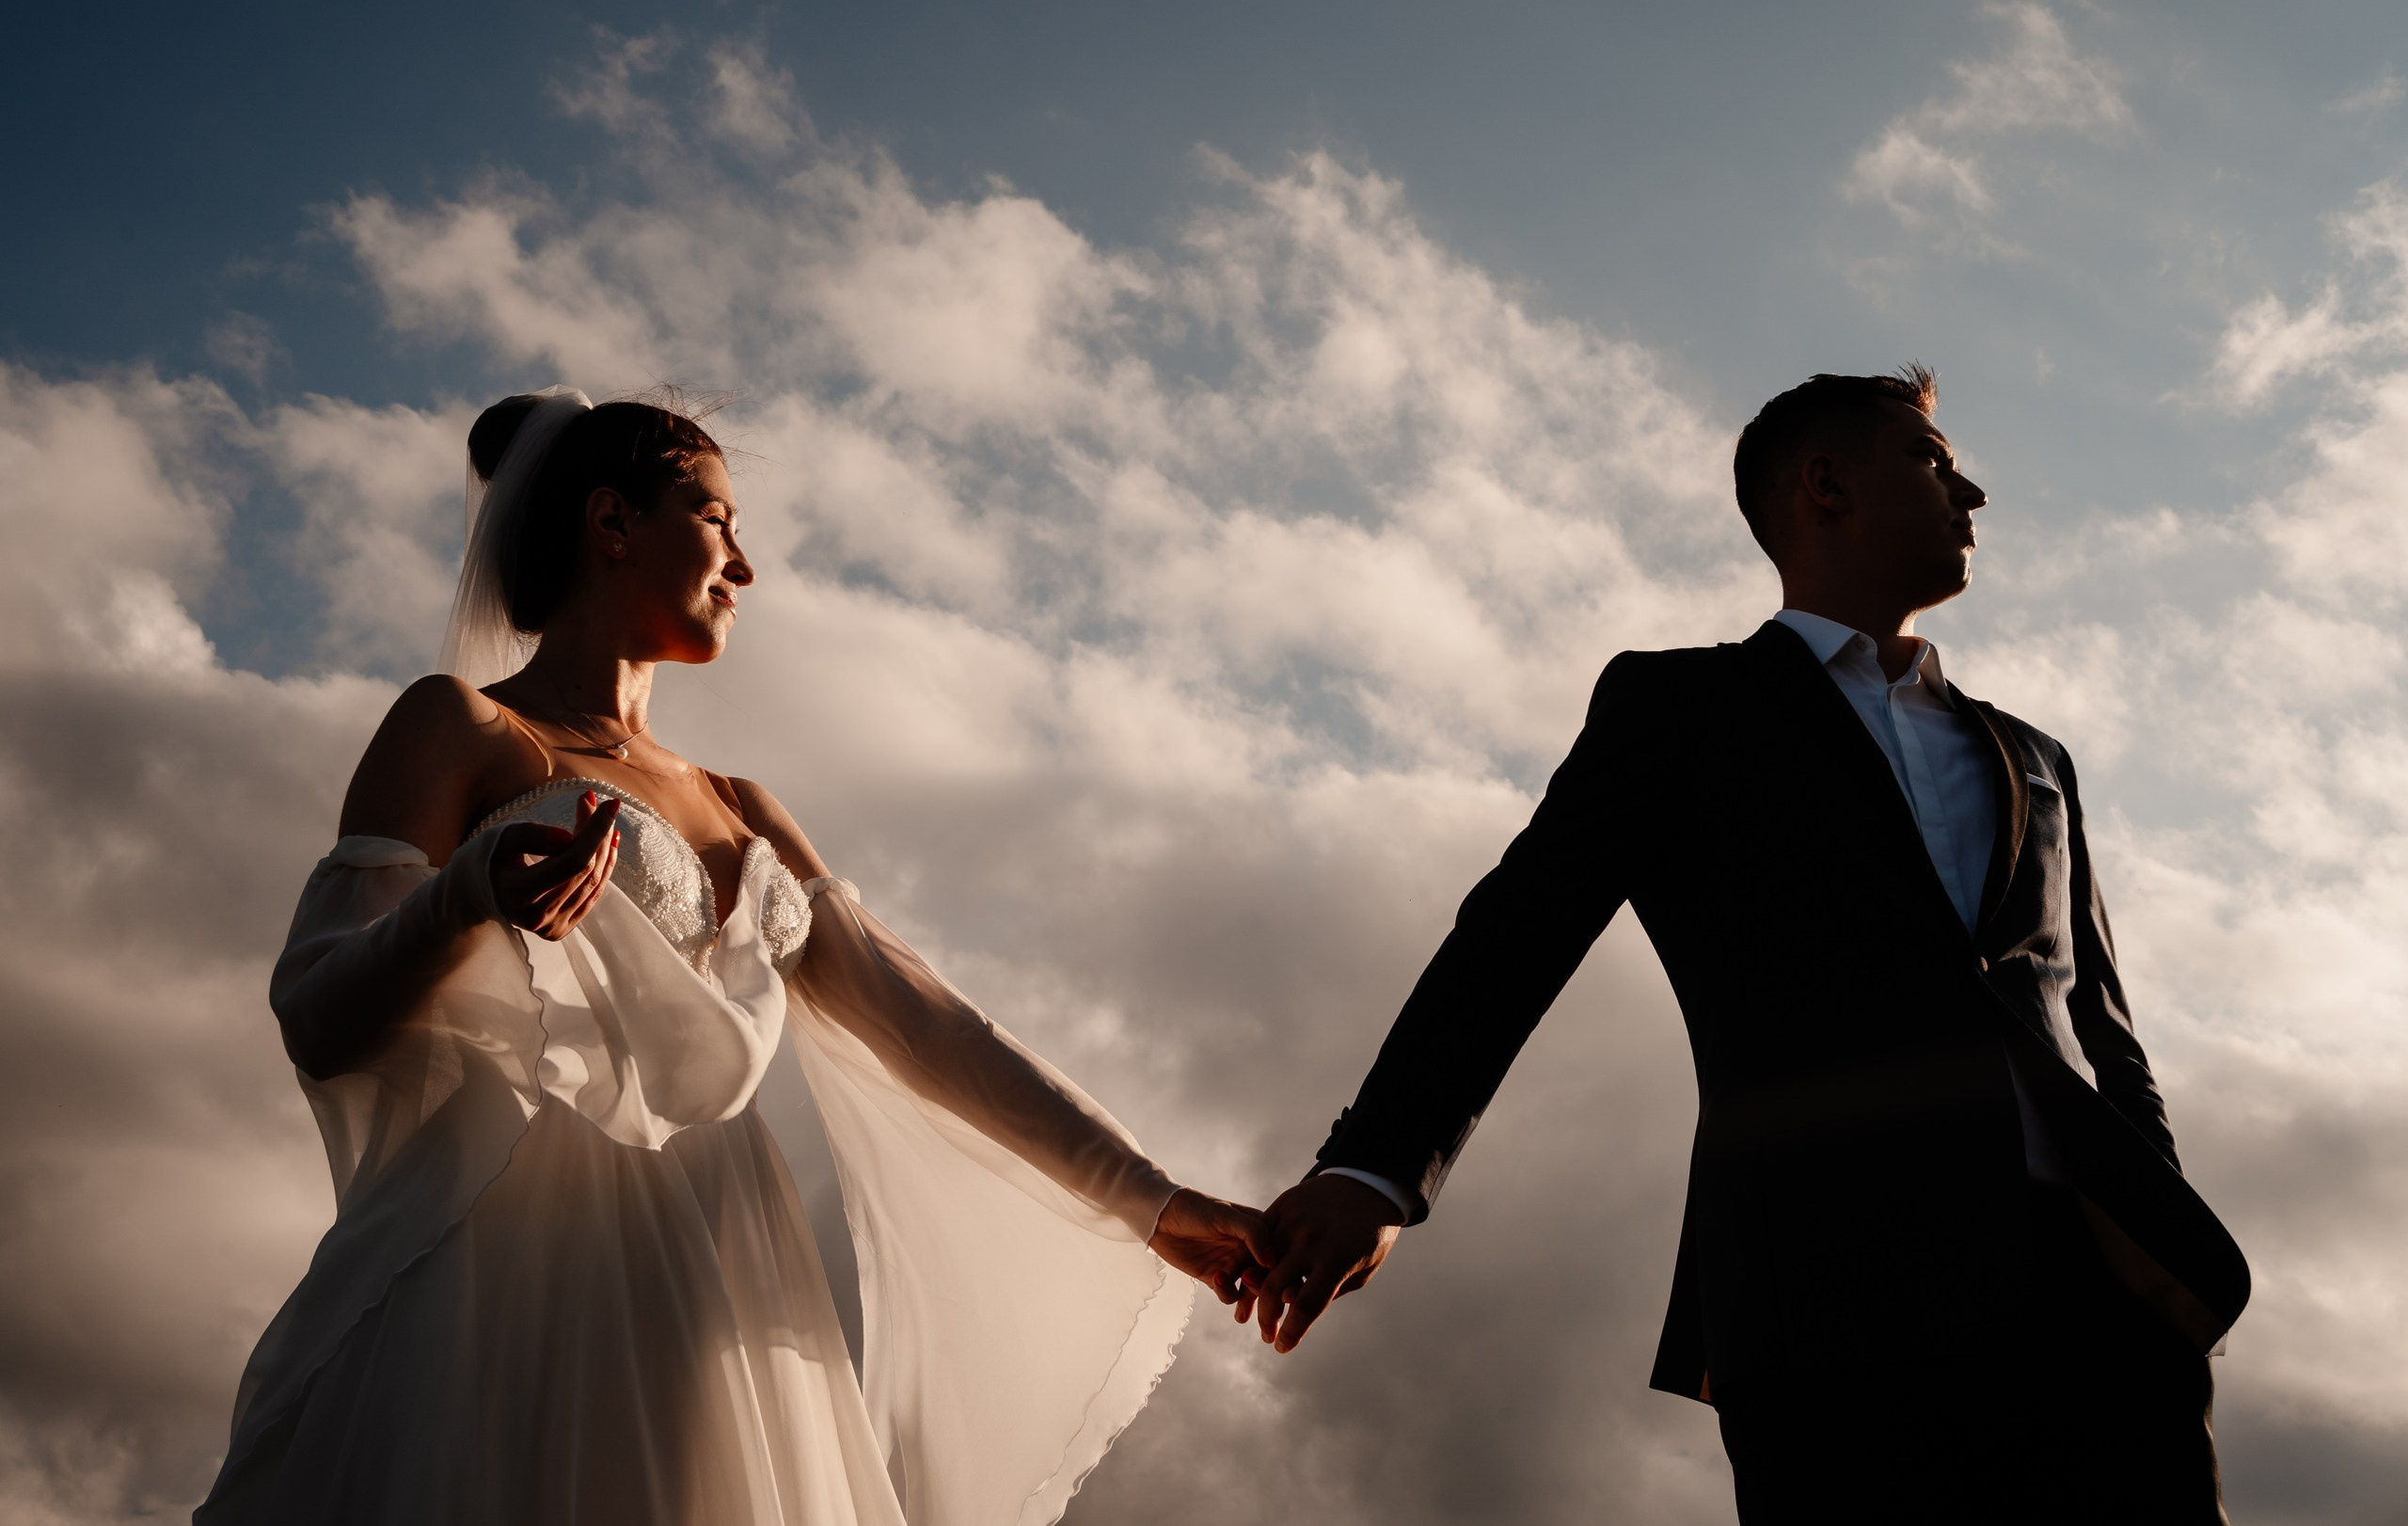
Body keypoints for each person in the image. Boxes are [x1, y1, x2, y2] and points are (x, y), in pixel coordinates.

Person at [198, 387, 1268, 1526]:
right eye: (716, 518)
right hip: (508, 1279)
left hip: (729, 1271)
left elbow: (930, 1026)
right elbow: (316, 1012)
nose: (745, 568)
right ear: (612, 524)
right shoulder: (459, 727)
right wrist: (462, 897)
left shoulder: (741, 806)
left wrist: (1152, 1200)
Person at [1240, 369, 2250, 1523]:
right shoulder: (1681, 709)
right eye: (1932, 461)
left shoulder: (2035, 756)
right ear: (1825, 484)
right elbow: (1513, 936)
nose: (1971, 491)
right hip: (1830, 1295)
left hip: (2097, 1300)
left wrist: (2159, 1234)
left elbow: (2101, 1028)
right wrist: (1374, 1169)